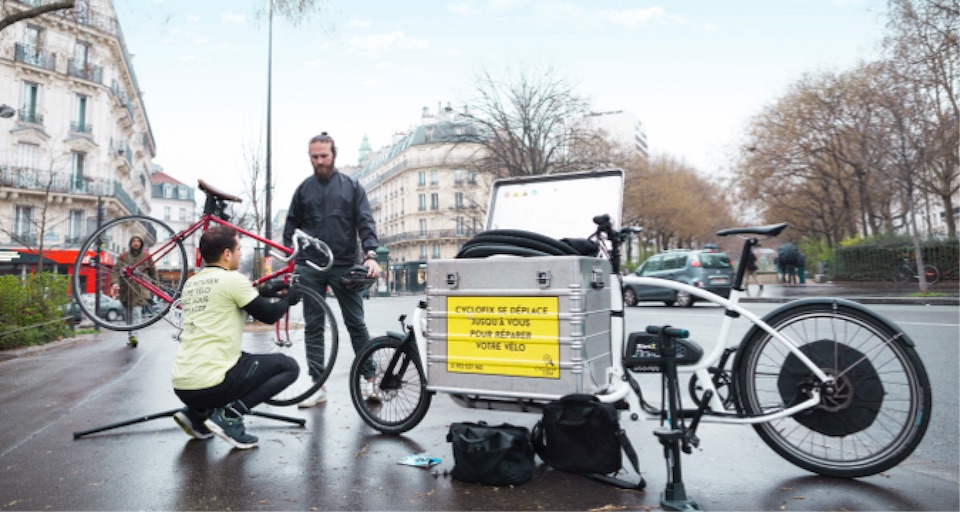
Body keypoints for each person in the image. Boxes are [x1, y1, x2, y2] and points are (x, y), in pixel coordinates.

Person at [171, 225, 301, 449]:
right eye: (239, 249)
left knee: (239, 359)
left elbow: (228, 298)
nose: (241, 253)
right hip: (212, 384)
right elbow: (269, 315)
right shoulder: (233, 280)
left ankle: (195, 414)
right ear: (227, 253)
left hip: (183, 384)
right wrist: (289, 299)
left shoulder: (192, 282)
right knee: (288, 366)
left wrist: (266, 291)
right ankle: (230, 416)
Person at [283, 132, 382, 408]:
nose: (319, 161)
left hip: (344, 264)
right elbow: (290, 228)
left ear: (334, 155)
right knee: (313, 325)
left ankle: (370, 380)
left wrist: (371, 255)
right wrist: (290, 258)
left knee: (356, 323)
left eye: (324, 156)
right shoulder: (303, 189)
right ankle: (317, 385)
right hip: (310, 265)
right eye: (314, 157)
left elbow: (365, 222)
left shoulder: (352, 187)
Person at [112, 235, 157, 347]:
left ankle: (134, 336)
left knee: (136, 313)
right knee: (128, 316)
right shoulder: (123, 256)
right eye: (134, 241)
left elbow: (153, 271)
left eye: (138, 241)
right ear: (130, 243)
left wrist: (156, 286)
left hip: (140, 290)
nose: (136, 243)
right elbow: (115, 270)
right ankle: (131, 336)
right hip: (125, 290)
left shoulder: (146, 256)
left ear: (141, 243)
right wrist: (115, 283)